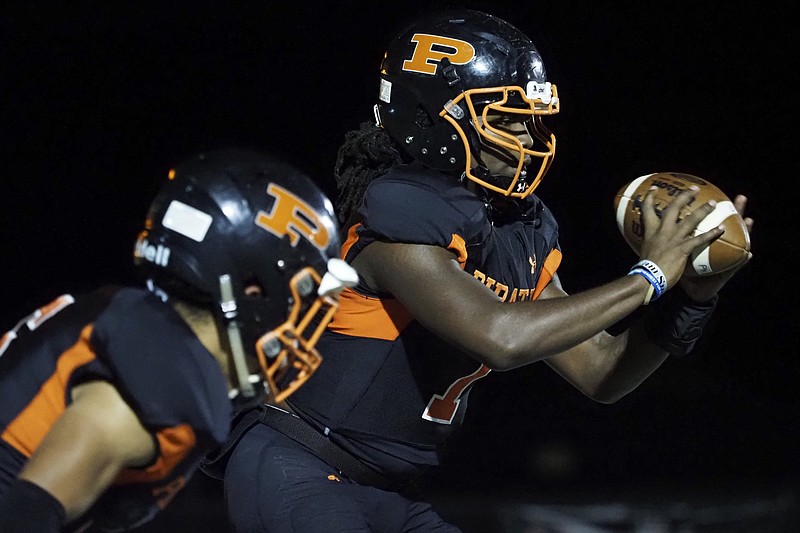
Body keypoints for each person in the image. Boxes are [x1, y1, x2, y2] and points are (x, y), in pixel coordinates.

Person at [221, 10, 754, 532]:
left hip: (390, 490)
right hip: (301, 464)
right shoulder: (397, 212)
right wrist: (650, 275)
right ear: (429, 118)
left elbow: (601, 372)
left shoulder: (517, 227)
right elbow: (500, 337)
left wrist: (692, 298)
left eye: (530, 117)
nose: (526, 134)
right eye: (503, 117)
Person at [0, 147, 357, 532]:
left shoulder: (142, 326)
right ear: (254, 290)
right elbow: (24, 515)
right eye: (302, 296)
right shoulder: (158, 379)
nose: (304, 320)